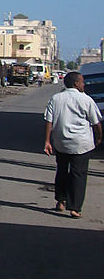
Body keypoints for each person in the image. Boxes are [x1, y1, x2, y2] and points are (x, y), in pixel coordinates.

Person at [43, 71, 102, 218]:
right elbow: (96, 123)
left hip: (61, 142)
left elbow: (49, 121)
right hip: (81, 144)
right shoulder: (86, 100)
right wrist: (99, 138)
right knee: (79, 175)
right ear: (76, 83)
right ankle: (75, 207)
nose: (84, 84)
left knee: (62, 171)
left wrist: (47, 141)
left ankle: (61, 201)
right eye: (82, 82)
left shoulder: (56, 98)